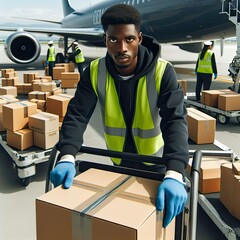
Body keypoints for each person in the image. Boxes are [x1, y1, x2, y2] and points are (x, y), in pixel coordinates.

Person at [50, 4, 189, 228]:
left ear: (140, 38)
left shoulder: (163, 72)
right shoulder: (94, 71)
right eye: (114, 40)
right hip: (118, 159)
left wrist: (175, 171)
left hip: (156, 162)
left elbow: (175, 120)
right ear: (105, 40)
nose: (121, 47)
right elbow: (77, 114)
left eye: (129, 39)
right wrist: (67, 155)